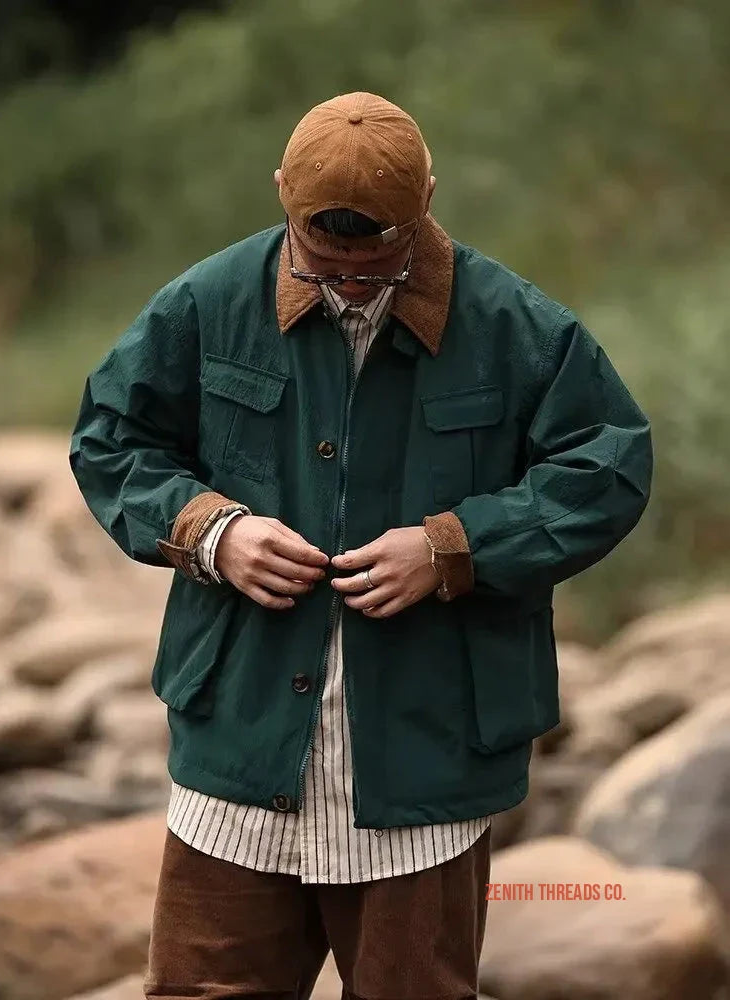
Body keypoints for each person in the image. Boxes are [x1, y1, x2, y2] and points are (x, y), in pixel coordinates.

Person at [69, 91, 653, 1000]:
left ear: (426, 200)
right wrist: (209, 531)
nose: (346, 284)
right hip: (240, 746)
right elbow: (111, 438)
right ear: (280, 196)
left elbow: (608, 469)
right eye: (323, 261)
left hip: (428, 757)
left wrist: (456, 546)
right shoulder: (207, 302)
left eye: (373, 267)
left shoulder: (518, 327)